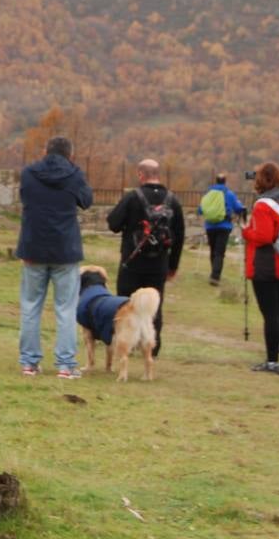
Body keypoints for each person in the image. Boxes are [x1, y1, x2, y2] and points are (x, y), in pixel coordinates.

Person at [15, 135, 94, 379]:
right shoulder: (74, 175)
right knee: (66, 309)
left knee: (30, 306)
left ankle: (29, 363)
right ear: (70, 154)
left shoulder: (29, 173)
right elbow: (87, 201)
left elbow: (25, 199)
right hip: (65, 250)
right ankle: (65, 365)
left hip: (33, 248)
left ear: (44, 151)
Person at [106, 159, 184, 357]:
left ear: (141, 174)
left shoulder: (133, 197)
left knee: (125, 303)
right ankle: (151, 348)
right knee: (154, 306)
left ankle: (126, 343)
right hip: (158, 264)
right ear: (158, 175)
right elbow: (180, 236)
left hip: (132, 262)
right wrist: (172, 266)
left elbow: (113, 223)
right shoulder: (173, 201)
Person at [241, 162, 279, 376]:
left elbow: (264, 237)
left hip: (267, 265)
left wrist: (246, 232)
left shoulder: (263, 205)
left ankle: (272, 361)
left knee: (271, 315)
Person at [198, 173, 245, 286]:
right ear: (225, 181)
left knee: (213, 251)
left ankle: (213, 273)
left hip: (210, 226)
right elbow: (238, 209)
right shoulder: (229, 194)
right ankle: (215, 277)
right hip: (224, 226)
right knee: (220, 252)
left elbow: (200, 210)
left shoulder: (208, 194)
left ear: (216, 181)